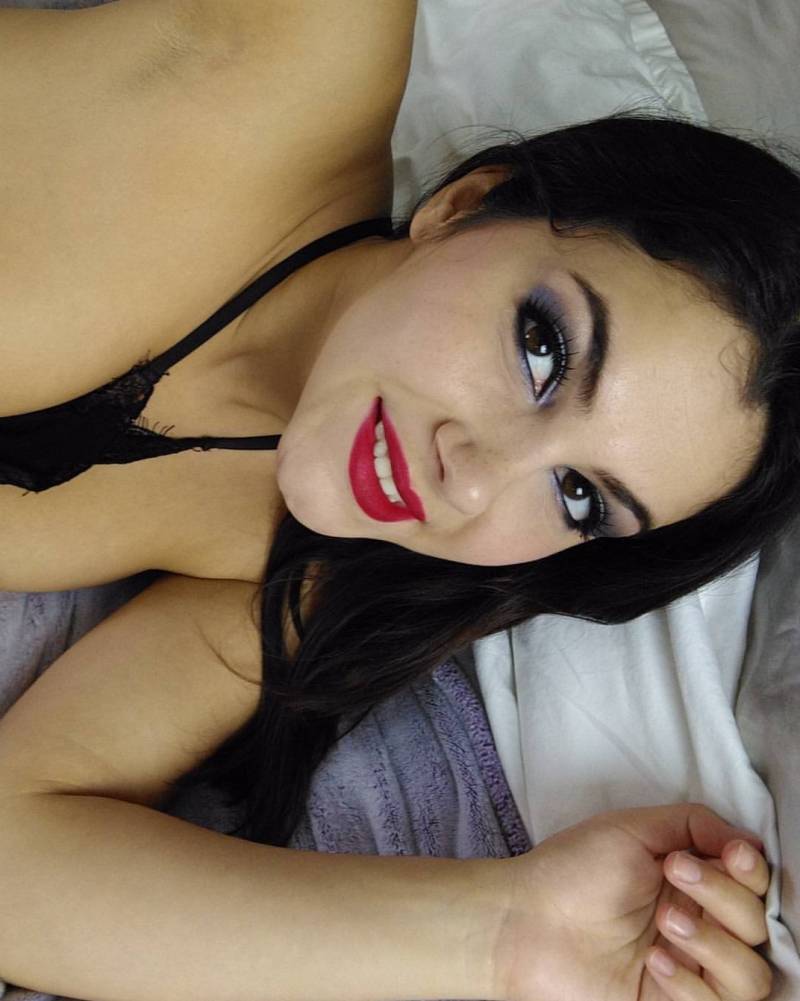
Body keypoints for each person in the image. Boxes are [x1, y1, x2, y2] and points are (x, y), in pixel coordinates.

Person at [0, 2, 797, 997]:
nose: (474, 476)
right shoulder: (303, 50)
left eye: (577, 495)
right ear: (465, 203)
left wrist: (510, 935)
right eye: (541, 350)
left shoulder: (288, 571)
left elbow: (16, 864)